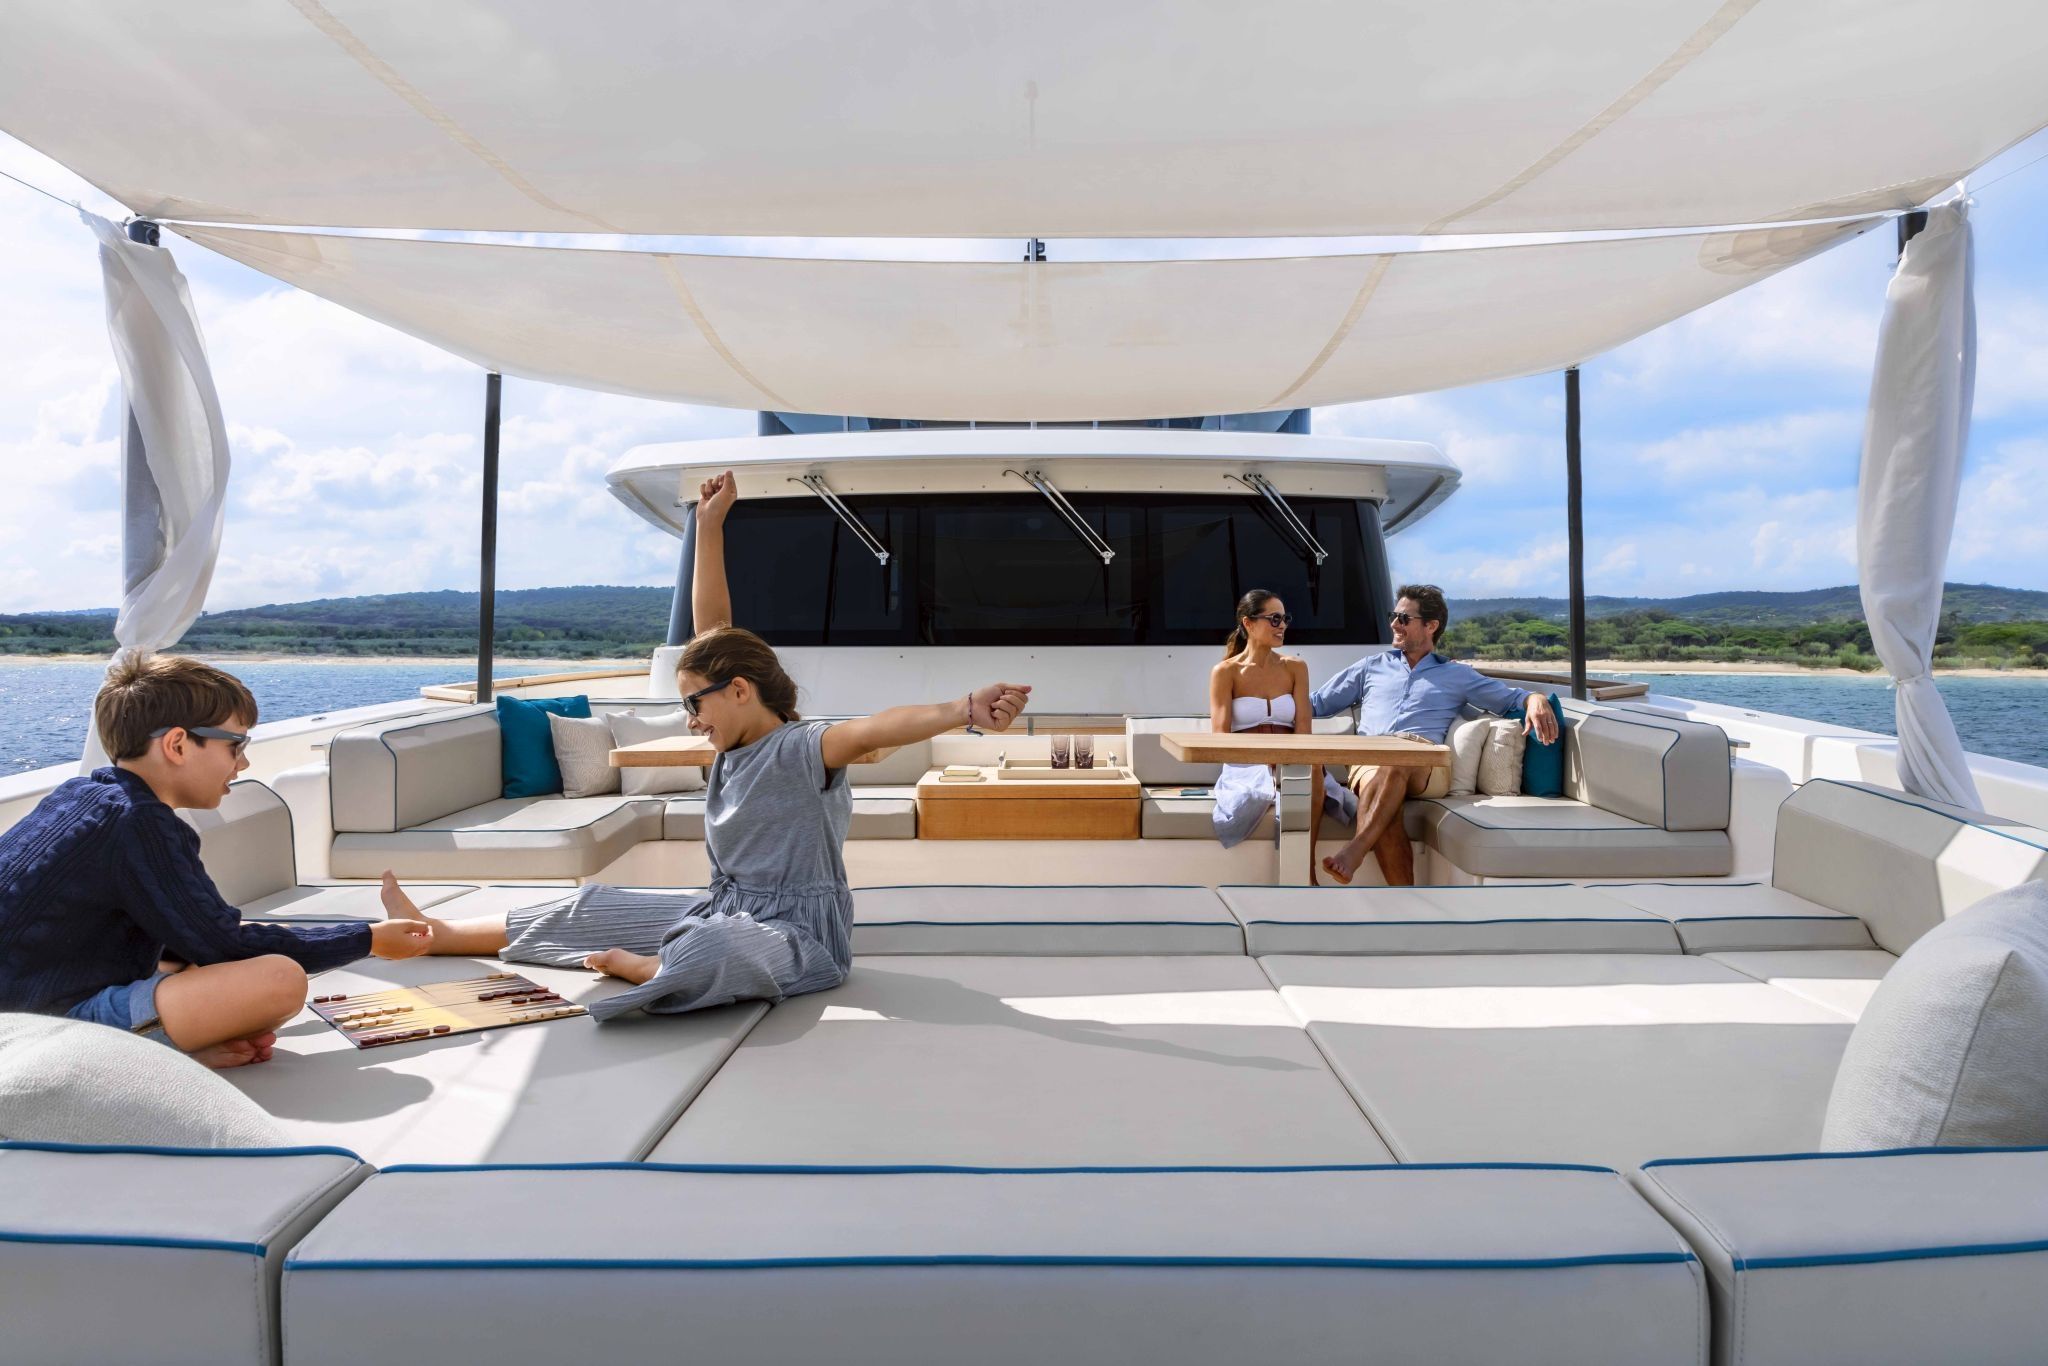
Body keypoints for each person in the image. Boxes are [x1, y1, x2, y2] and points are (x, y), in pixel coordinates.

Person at [385, 470, 1031, 1019]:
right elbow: (712, 632)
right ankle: (439, 933)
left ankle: (657, 968)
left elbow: (877, 728)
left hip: (797, 935)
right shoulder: (730, 745)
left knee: (718, 949)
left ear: (740, 691)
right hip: (719, 906)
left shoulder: (804, 748)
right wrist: (712, 526)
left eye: (695, 704)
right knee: (591, 904)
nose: (692, 720)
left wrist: (963, 709)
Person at [0, 655, 432, 1068]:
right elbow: (225, 946)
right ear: (177, 744)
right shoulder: (142, 822)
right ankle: (155, 1058)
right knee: (279, 980)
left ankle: (174, 1046)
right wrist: (367, 939)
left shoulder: (79, 796)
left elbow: (191, 937)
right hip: (38, 1030)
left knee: (188, 961)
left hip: (28, 999)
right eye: (236, 745)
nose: (243, 762)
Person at [1310, 584, 1558, 886]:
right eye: (1393, 616)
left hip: (1426, 763)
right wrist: (1262, 704)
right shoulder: (1371, 667)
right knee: (1388, 802)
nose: (1394, 624)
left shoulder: (1457, 675)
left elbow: (1510, 699)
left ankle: (1356, 849)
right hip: (1370, 759)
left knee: (1398, 759)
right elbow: (1316, 704)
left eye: (1403, 618)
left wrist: (1536, 699)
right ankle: (1406, 903)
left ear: (1431, 626)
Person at [1207, 590, 1311, 847]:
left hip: (1292, 758)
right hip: (1245, 763)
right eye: (1274, 619)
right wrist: (1265, 759)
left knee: (1313, 777)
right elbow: (1220, 738)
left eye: (1285, 619)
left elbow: (1304, 731)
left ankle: (1305, 862)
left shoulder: (1296, 667)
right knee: (1260, 793)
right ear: (1249, 623)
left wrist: (1285, 759)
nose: (1282, 625)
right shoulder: (1225, 672)